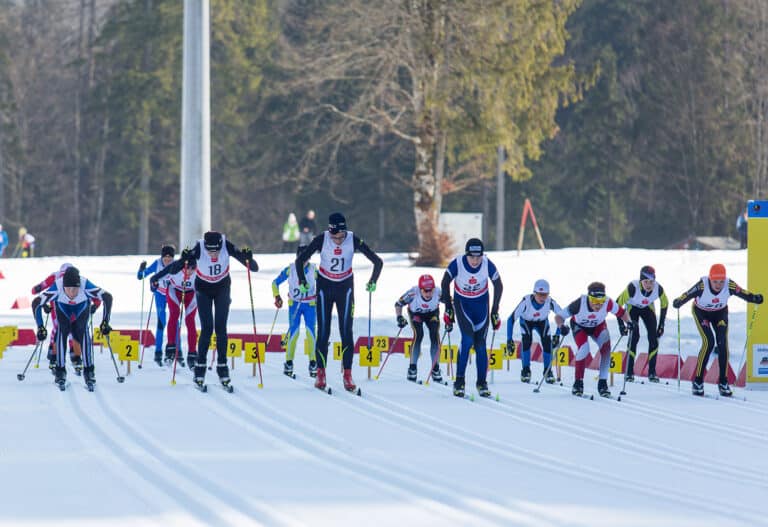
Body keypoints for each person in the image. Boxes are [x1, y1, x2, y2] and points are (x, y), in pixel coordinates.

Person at [155, 231, 258, 390]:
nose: (213, 254)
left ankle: (222, 367)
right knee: (207, 328)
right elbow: (175, 268)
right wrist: (184, 259)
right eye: (210, 251)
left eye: (215, 250)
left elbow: (253, 267)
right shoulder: (199, 247)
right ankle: (200, 368)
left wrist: (248, 259)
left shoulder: (226, 245)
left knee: (221, 328)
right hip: (203, 289)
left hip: (222, 288)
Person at [295, 212, 383, 392]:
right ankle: (320, 373)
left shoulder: (353, 239)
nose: (339, 240)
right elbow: (300, 261)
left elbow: (377, 261)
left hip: (345, 288)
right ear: (330, 231)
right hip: (324, 287)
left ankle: (348, 374)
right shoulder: (322, 239)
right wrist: (303, 281)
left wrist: (373, 280)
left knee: (346, 331)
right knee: (324, 331)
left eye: (342, 236)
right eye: (336, 237)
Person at [672, 263, 763, 397]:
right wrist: (679, 301)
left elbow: (743, 293)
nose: (718, 284)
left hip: (720, 313)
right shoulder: (702, 285)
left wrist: (755, 298)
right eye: (715, 281)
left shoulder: (729, 285)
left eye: (721, 281)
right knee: (708, 342)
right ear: (710, 279)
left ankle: (723, 382)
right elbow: (687, 294)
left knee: (722, 344)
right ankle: (697, 381)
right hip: (701, 313)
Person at [440, 238, 503, 398]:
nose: (475, 260)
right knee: (467, 340)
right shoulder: (458, 263)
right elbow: (445, 282)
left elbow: (499, 285)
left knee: (481, 344)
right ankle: (459, 382)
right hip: (463, 304)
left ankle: (481, 383)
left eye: (478, 257)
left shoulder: (487, 263)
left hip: (481, 305)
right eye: (472, 257)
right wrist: (448, 308)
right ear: (466, 254)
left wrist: (495, 310)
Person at [32, 266, 113, 389]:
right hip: (63, 311)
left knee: (84, 332)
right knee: (61, 332)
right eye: (68, 289)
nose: (71, 293)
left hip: (81, 310)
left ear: (79, 286)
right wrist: (40, 327)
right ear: (63, 286)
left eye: (75, 289)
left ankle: (89, 371)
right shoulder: (57, 286)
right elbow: (36, 303)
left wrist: (105, 322)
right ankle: (60, 371)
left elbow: (107, 297)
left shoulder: (85, 285)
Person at [559, 282, 632, 397]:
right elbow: (559, 316)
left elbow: (622, 313)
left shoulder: (608, 302)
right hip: (580, 326)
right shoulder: (579, 303)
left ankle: (602, 383)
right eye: (595, 302)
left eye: (601, 302)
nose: (598, 305)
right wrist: (561, 327)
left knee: (607, 349)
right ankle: (578, 383)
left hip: (597, 326)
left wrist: (629, 322)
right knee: (584, 348)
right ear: (589, 298)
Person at [506, 279, 569, 384]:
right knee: (527, 341)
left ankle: (547, 371)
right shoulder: (526, 302)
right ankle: (526, 370)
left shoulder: (550, 302)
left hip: (542, 322)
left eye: (545, 295)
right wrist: (509, 339)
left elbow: (561, 315)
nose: (542, 298)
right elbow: (511, 319)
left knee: (547, 343)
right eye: (540, 294)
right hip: (526, 321)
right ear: (534, 293)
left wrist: (558, 334)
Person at [615, 265, 669, 383]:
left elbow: (665, 303)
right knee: (635, 336)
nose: (649, 285)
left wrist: (661, 325)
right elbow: (617, 304)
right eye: (646, 282)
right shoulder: (632, 287)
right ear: (641, 281)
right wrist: (621, 325)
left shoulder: (658, 288)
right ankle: (629, 372)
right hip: (632, 308)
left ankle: (652, 372)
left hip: (647, 308)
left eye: (651, 282)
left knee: (654, 338)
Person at [272, 245, 318, 378]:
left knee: (310, 333)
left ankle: (313, 362)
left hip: (309, 304)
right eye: (301, 258)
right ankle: (289, 362)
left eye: (306, 258)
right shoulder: (290, 269)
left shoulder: (314, 269)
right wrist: (277, 297)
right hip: (294, 304)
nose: (303, 261)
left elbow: (322, 283)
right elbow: (275, 283)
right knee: (294, 333)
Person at [395, 274, 443, 383]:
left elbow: (451, 303)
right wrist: (399, 317)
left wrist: (450, 315)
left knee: (435, 335)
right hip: (416, 314)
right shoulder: (413, 293)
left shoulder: (438, 292)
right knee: (418, 335)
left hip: (432, 314)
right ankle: (412, 369)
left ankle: (435, 369)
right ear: (420, 289)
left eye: (430, 290)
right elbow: (398, 304)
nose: (428, 293)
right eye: (425, 291)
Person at [136, 245, 175, 366]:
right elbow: (141, 276)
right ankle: (158, 352)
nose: (167, 259)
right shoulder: (157, 263)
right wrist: (141, 269)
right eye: (165, 257)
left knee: (175, 323)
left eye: (170, 257)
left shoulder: (177, 265)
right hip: (160, 295)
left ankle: (177, 352)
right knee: (161, 322)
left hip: (173, 295)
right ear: (162, 257)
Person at [162, 257, 198, 368]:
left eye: (193, 268)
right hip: (174, 291)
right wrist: (154, 284)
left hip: (192, 294)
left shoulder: (198, 272)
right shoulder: (176, 269)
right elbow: (162, 277)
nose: (190, 271)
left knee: (190, 320)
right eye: (188, 268)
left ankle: (192, 353)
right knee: (174, 314)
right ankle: (170, 348)